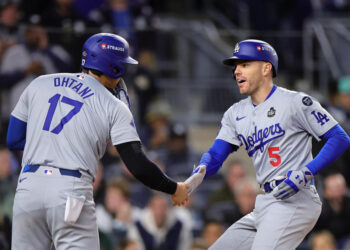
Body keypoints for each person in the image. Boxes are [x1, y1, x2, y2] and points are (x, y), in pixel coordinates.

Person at [6, 33, 189, 250]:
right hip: (70, 189)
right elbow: (137, 165)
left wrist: (50, 151)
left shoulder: (40, 82)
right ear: (114, 68)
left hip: (29, 187)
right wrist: (173, 188)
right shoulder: (113, 105)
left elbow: (13, 139)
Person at [181, 39, 350, 249]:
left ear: (266, 68)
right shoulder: (235, 113)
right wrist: (196, 176)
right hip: (267, 201)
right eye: (236, 67)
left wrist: (307, 171)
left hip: (297, 199)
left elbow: (339, 138)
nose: (237, 72)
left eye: (244, 65)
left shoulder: (295, 102)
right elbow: (216, 155)